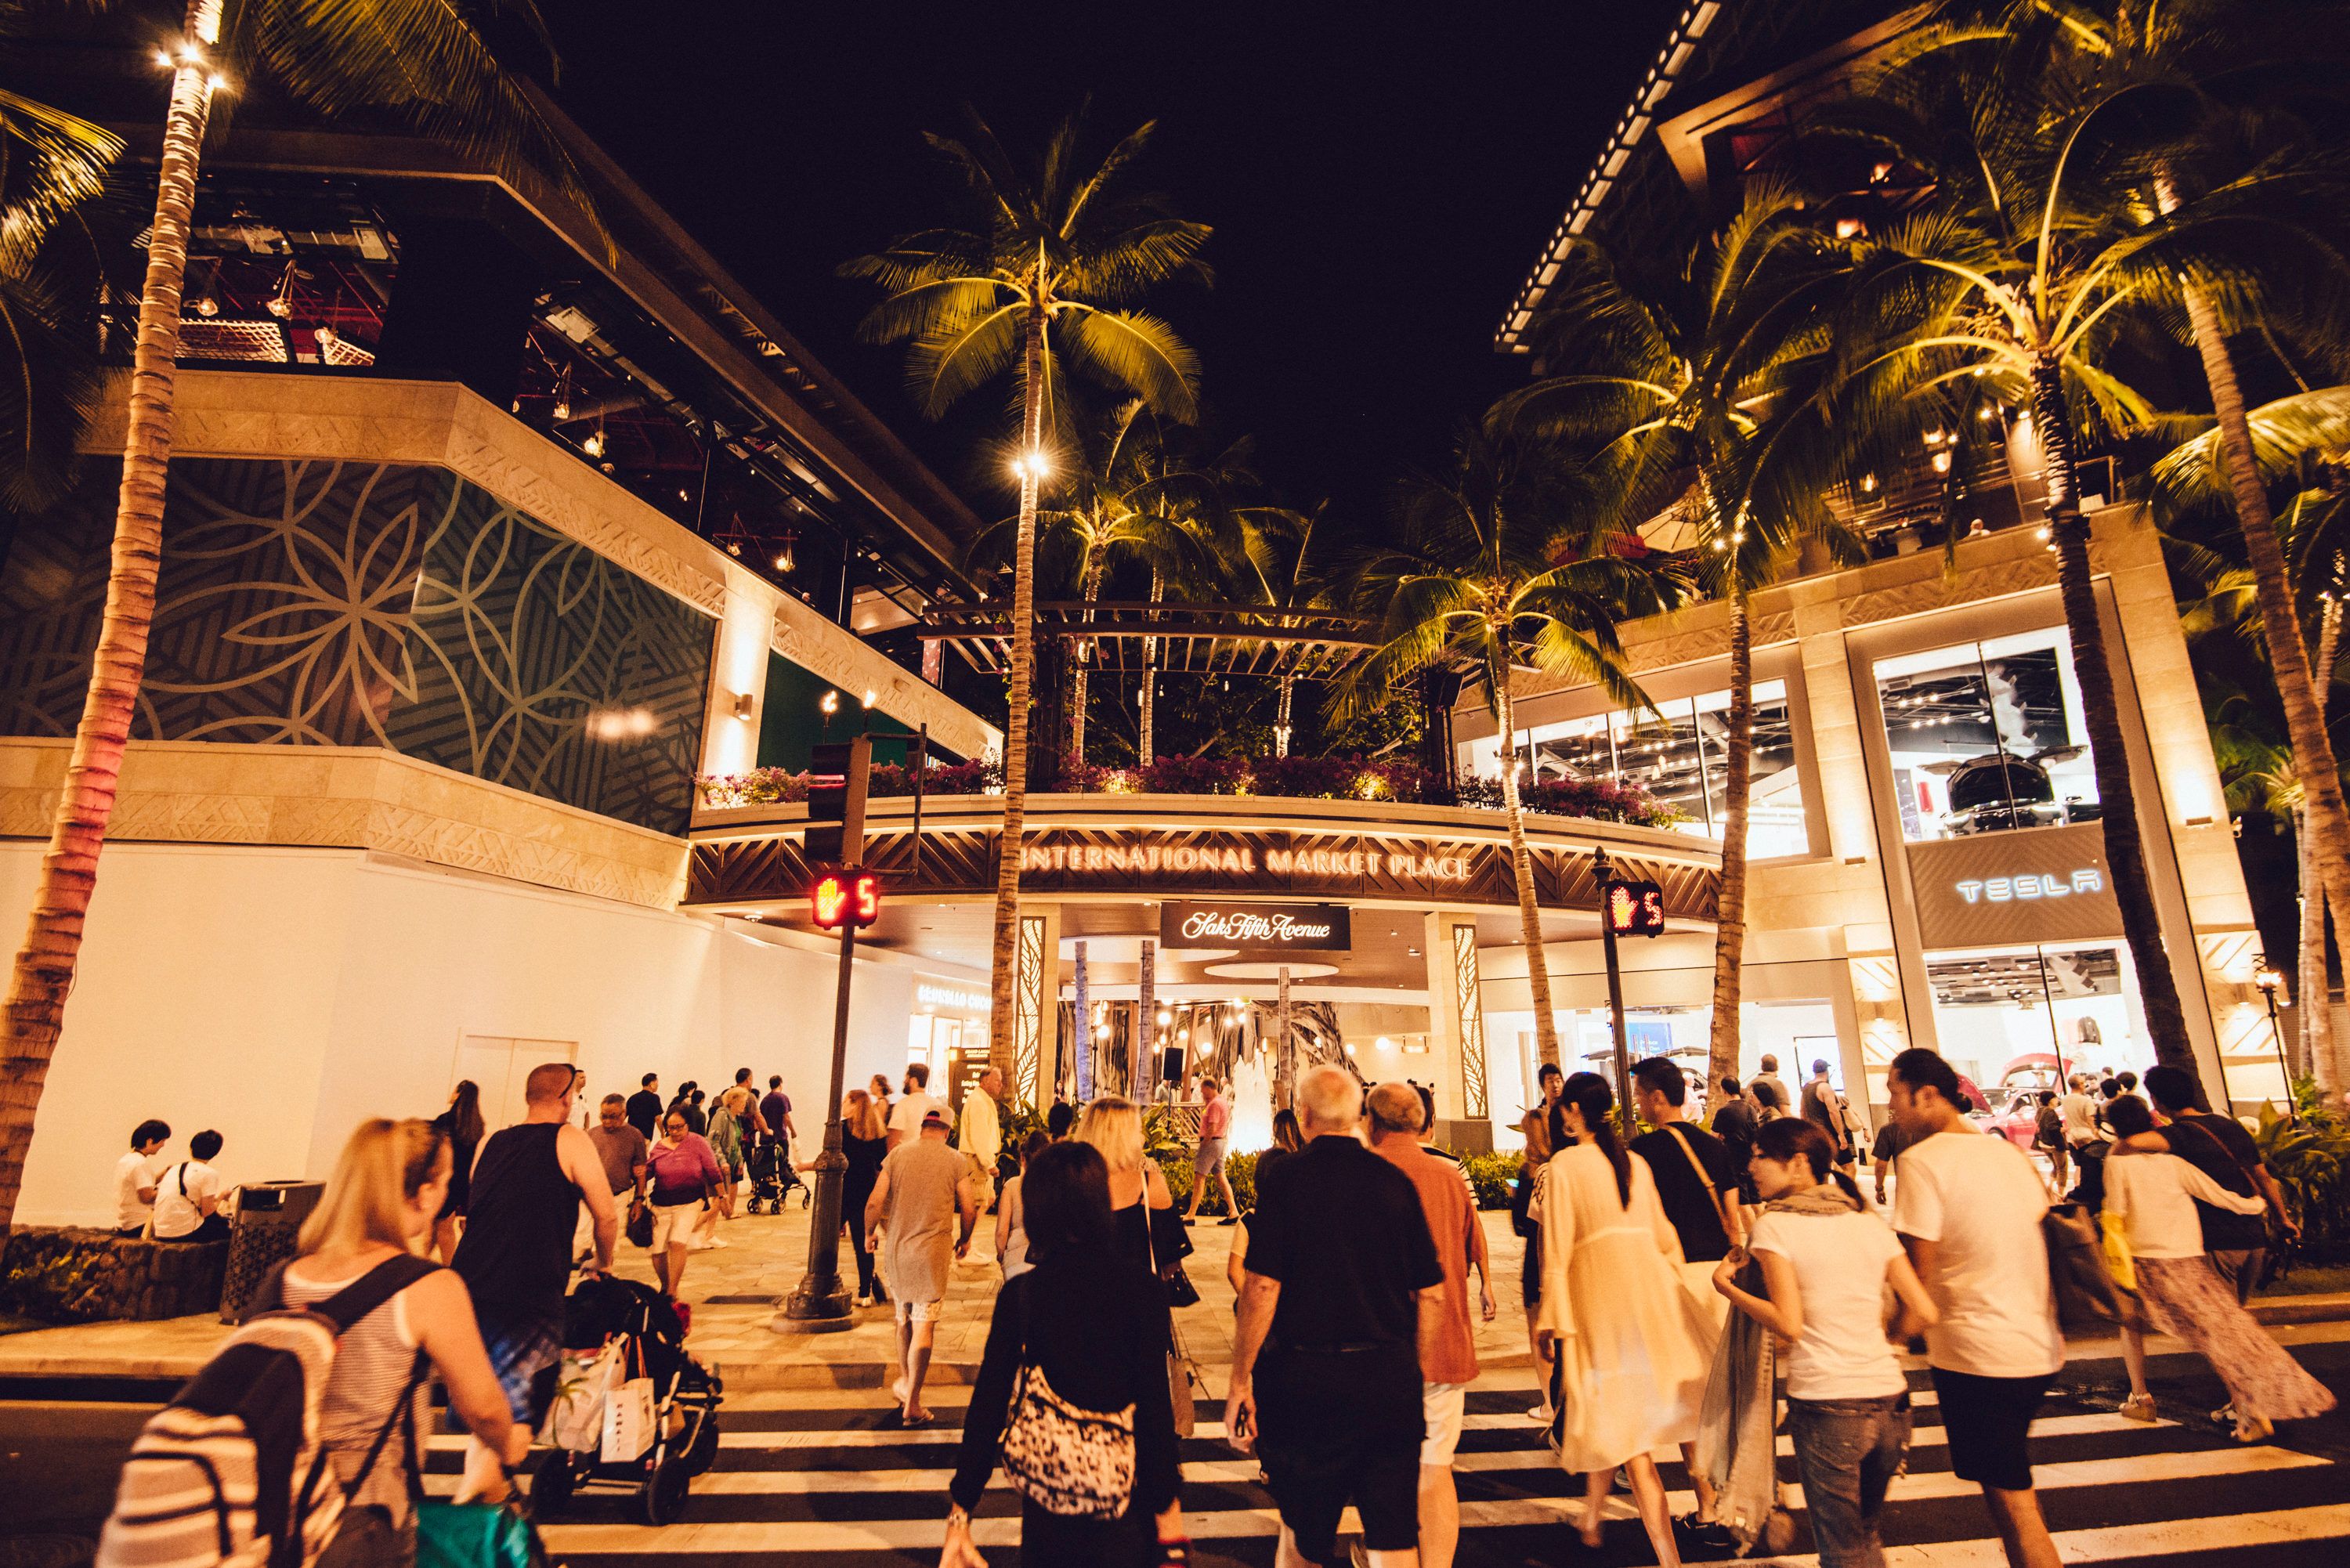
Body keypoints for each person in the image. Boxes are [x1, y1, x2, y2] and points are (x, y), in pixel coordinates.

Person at [279, 1118, 530, 1558]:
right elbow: (483, 1408)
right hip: (361, 1512)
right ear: (425, 1193)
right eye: (446, 1183)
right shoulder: (426, 1287)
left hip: (272, 1503)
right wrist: (508, 1444)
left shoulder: (284, 1278)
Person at [1227, 1064, 1441, 1568]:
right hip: (1387, 1376)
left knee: (1304, 1531)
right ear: (1357, 1116)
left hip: (1309, 1381)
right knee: (1394, 1536)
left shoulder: (1286, 1180)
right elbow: (1432, 1294)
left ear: (1304, 1116)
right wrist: (1414, 1370)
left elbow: (1262, 1285)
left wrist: (1240, 1379)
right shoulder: (1394, 1181)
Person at [942, 1141, 1184, 1568]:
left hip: (1048, 1511)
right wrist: (1170, 1519)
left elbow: (989, 1404)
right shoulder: (1142, 1291)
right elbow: (1154, 1411)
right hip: (1126, 1506)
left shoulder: (1024, 1294)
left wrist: (961, 1510)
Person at [1712, 1118, 1938, 1568]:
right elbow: (1924, 1311)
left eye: (1760, 1157)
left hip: (1828, 1403)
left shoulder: (1775, 1227)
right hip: (1891, 1402)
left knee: (1842, 1550)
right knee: (1864, 1537)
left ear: (1798, 1164)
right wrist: (1883, 1344)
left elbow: (1789, 1323)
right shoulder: (1867, 1223)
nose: (1751, 1167)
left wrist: (1726, 1288)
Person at [1885, 1048, 2062, 1568]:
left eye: (1895, 1095)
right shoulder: (2006, 1154)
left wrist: (1892, 1341)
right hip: (2037, 1344)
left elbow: (1918, 1277)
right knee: (2006, 1482)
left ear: (1927, 1095)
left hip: (1978, 1353)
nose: (1890, 1107)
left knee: (2013, 1501)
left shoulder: (1921, 1163)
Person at [1535, 1072, 1712, 1564]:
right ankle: (1591, 1521)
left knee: (1626, 1432)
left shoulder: (1565, 1165)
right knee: (1612, 1414)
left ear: (1573, 1111)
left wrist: (1551, 1316)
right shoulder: (1634, 1162)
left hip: (1601, 1304)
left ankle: (1668, 1557)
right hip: (1648, 1297)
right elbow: (1665, 1238)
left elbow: (1557, 1249)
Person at [2102, 1094, 2334, 1440]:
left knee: (2137, 1323)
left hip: (2144, 1261)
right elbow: (2218, 1196)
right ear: (2150, 1123)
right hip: (2188, 1258)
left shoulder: (2117, 1163)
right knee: (2219, 1334)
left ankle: (2146, 1398)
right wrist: (2256, 1205)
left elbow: (2116, 1214)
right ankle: (2243, 1406)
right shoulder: (2174, 1163)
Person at [451, 1060, 616, 1502]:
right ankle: (471, 1511)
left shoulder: (491, 1141)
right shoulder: (570, 1139)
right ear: (566, 1097)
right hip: (527, 1288)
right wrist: (603, 1260)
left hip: (469, 1286)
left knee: (491, 1407)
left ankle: (488, 1503)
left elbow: (477, 1207)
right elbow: (606, 1214)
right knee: (517, 1424)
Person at [1365, 1082, 1493, 1568]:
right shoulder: (1449, 1176)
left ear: (1372, 1123)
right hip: (1443, 1343)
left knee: (1383, 1472)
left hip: (1380, 1349)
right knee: (1437, 1469)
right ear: (1421, 1124)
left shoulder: (1366, 1175)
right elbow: (1470, 1242)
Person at [1627, 1057, 1739, 1545]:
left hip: (1675, 1280)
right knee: (1722, 1396)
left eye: (1638, 1095)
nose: (1636, 1104)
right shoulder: (1714, 1147)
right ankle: (1733, 1499)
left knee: (1690, 1400)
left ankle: (1709, 1507)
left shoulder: (1641, 1154)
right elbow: (1734, 1218)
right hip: (1720, 1281)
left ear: (1657, 1098)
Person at [2125, 1064, 2298, 1303]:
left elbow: (2133, 1143)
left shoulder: (2178, 1135)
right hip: (2254, 1238)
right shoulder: (2231, 1126)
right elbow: (2263, 1177)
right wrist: (2282, 1219)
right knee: (2236, 1313)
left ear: (2158, 1101)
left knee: (2224, 1317)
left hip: (2217, 1241)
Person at [866, 1107, 978, 1425]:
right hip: (932, 1254)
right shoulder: (955, 1160)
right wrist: (965, 1239)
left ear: (923, 1127)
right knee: (924, 1325)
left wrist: (868, 1233)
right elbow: (969, 1207)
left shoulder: (898, 1155)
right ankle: (913, 1402)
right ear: (947, 1131)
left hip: (898, 1252)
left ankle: (905, 1381)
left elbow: (875, 1201)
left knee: (903, 1318)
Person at [1073, 1097, 1179, 1290]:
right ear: (1122, 1138)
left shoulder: (1068, 1183)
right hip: (1137, 1297)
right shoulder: (1149, 1184)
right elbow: (1172, 1258)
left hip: (1075, 1296)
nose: (1142, 1138)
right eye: (1137, 1131)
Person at [644, 1107, 725, 1299]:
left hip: (690, 1200)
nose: (675, 1131)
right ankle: (665, 1287)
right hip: (662, 1202)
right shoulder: (659, 1147)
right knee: (657, 1250)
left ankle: (673, 1290)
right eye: (671, 1128)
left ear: (687, 1125)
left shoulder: (698, 1143)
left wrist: (722, 1197)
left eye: (679, 1127)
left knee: (677, 1242)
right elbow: (648, 1172)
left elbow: (713, 1171)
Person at [1509, 1108, 1556, 1423]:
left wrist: (1514, 1196)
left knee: (1539, 1336)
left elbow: (1522, 1226)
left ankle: (1550, 1404)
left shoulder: (1530, 1175)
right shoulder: (1562, 1169)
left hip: (1536, 1264)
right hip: (1563, 1260)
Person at [835, 1088, 890, 1306]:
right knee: (863, 1242)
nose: (843, 1105)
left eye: (846, 1102)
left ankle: (824, 1282)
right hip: (865, 1191)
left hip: (843, 1191)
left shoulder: (840, 1129)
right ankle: (865, 1292)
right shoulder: (877, 1132)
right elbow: (881, 1165)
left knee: (827, 1239)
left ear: (854, 1105)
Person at [431, 1080, 485, 1264]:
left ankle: (449, 1266)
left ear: (458, 1093)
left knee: (443, 1227)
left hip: (447, 1180)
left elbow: (434, 1151)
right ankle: (467, 1263)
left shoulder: (445, 1121)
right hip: (467, 1182)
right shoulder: (478, 1125)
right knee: (459, 1226)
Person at [586, 1093, 649, 1237]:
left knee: (610, 1239)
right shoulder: (592, 1134)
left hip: (619, 1197)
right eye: (604, 1116)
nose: (608, 1121)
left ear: (624, 1113)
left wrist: (638, 1200)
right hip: (592, 1196)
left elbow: (640, 1171)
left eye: (613, 1116)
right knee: (583, 1241)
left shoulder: (635, 1136)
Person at [152, 1129, 229, 1242]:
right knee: (229, 1231)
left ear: (191, 1149)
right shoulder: (209, 1173)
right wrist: (223, 1196)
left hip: (160, 1231)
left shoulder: (175, 1168)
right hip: (183, 1232)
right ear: (216, 1153)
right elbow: (207, 1212)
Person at [994, 1130, 1051, 1281]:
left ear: (1022, 1158)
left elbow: (1001, 1232)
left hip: (1017, 1259)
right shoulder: (1056, 1185)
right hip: (1048, 1261)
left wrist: (1001, 1256)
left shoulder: (1012, 1186)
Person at [1184, 1075, 1238, 1224]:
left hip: (1211, 1143)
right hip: (1219, 1143)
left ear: (1209, 1088)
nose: (1202, 1094)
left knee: (1199, 1178)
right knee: (1221, 1178)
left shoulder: (1215, 1104)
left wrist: (1204, 1144)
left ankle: (1191, 1215)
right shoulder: (1221, 1101)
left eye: (1203, 1091)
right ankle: (1233, 1211)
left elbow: (1212, 1127)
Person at [112, 1119, 170, 1237]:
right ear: (150, 1141)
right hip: (139, 1224)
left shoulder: (126, 1159)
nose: (163, 1145)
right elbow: (146, 1197)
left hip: (125, 1223)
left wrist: (165, 1173)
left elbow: (141, 1185)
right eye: (162, 1141)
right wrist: (170, 1188)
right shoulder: (140, 1163)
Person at [957, 1066, 1004, 1201]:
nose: (1001, 1085)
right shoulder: (978, 1102)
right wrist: (989, 1163)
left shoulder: (983, 1100)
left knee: (987, 1200)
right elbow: (979, 1136)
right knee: (977, 1202)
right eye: (997, 1080)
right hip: (976, 1161)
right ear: (985, 1080)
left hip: (979, 1161)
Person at [887, 1061, 942, 1151]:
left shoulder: (903, 1104)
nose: (904, 1081)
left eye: (906, 1078)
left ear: (913, 1081)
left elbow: (893, 1141)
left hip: (906, 1156)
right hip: (930, 1155)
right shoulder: (937, 1104)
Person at [1870, 1113, 1922, 1209]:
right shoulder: (1934, 1127)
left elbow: (1880, 1166)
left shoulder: (1888, 1130)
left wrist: (1879, 1189)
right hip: (1933, 1186)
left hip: (1904, 1187)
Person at [2031, 1091, 2067, 1197]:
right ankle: (2061, 1193)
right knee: (2062, 1168)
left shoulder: (2040, 1110)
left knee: (2056, 1166)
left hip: (2043, 1144)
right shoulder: (2050, 1112)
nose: (2057, 1100)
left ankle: (2050, 1187)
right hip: (2054, 1144)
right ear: (2050, 1100)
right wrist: (2062, 1129)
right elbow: (2051, 1128)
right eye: (2055, 1098)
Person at [760, 1074, 795, 1154]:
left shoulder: (765, 1100)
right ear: (780, 1084)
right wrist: (793, 1131)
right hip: (780, 1136)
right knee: (783, 1160)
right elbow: (786, 1117)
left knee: (769, 1161)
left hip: (766, 1137)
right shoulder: (783, 1098)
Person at [1749, 1055, 1789, 1120]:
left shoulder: (1750, 1084)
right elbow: (1786, 1114)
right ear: (1776, 1067)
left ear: (1762, 1066)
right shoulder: (1777, 1084)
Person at [626, 1073, 663, 1142]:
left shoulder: (633, 1098)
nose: (658, 1085)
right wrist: (662, 1133)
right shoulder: (654, 1098)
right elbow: (658, 1119)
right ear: (651, 1084)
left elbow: (623, 1116)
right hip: (645, 1136)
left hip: (630, 1135)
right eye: (657, 1083)